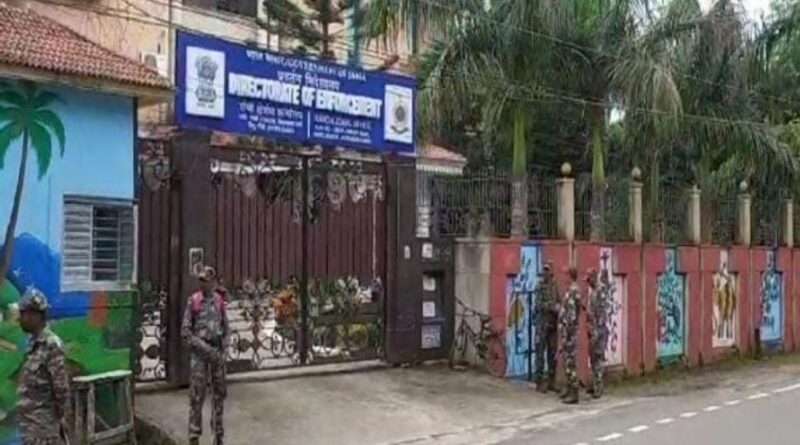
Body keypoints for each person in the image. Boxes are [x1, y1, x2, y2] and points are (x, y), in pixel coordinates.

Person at [16, 288, 72, 444]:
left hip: (44, 433)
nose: (21, 319)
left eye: (24, 314)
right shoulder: (32, 344)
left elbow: (61, 390)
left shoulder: (51, 345)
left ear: (37, 316)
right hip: (30, 429)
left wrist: (57, 422)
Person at [182, 266, 229, 445]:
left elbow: (226, 327)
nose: (202, 284)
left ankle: (218, 434)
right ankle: (194, 435)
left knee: (219, 395)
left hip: (217, 353)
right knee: (196, 395)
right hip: (200, 355)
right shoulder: (193, 301)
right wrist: (204, 348)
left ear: (213, 282)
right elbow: (186, 333)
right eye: (200, 280)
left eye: (206, 281)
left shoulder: (219, 301)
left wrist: (224, 347)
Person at [533, 262, 560, 393]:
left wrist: (559, 307)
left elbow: (559, 300)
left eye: (547, 270)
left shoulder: (554, 285)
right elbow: (538, 304)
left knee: (552, 352)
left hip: (552, 325)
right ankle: (539, 382)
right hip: (542, 324)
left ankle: (551, 381)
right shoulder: (539, 286)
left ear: (551, 272)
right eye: (544, 270)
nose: (545, 273)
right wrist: (551, 306)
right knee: (540, 353)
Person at [587, 269, 611, 399]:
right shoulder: (592, 291)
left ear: (594, 277)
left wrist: (595, 330)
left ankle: (599, 387)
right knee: (593, 358)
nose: (588, 282)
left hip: (599, 329)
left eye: (589, 279)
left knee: (598, 357)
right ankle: (595, 384)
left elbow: (600, 312)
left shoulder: (600, 291)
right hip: (593, 329)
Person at [559, 267, 582, 404]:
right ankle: (569, 389)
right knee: (567, 362)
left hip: (570, 333)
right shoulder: (570, 290)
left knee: (570, 363)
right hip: (568, 332)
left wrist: (567, 335)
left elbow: (571, 316)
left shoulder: (573, 291)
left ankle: (574, 393)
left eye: (565, 275)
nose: (563, 277)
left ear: (570, 276)